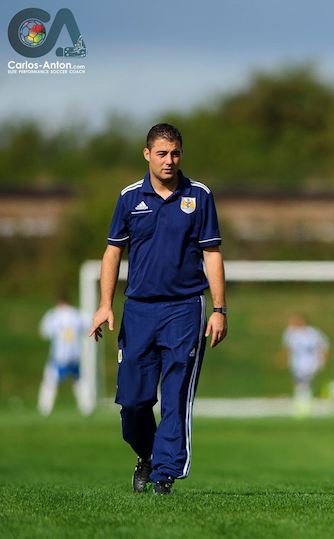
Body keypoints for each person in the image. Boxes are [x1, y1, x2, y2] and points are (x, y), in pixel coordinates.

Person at [88, 123, 227, 496]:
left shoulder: (199, 196)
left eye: (176, 153)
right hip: (139, 311)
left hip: (184, 310)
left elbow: (212, 252)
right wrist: (105, 304)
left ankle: (164, 475)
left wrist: (219, 308)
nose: (170, 160)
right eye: (162, 153)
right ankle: (147, 456)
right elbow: (112, 251)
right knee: (133, 403)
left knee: (176, 395)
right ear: (147, 154)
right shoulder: (130, 198)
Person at [37, 294, 91, 416]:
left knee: (49, 382)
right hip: (75, 355)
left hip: (59, 357)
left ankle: (44, 409)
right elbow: (89, 325)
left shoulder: (53, 315)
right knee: (80, 382)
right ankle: (87, 408)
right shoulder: (77, 314)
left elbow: (44, 332)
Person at [282, 314, 329, 414]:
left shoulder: (312, 332)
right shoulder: (290, 332)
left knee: (303, 383)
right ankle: (302, 404)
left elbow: (323, 346)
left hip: (310, 362)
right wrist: (286, 359)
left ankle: (304, 406)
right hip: (296, 362)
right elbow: (288, 348)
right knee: (300, 384)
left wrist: (321, 360)